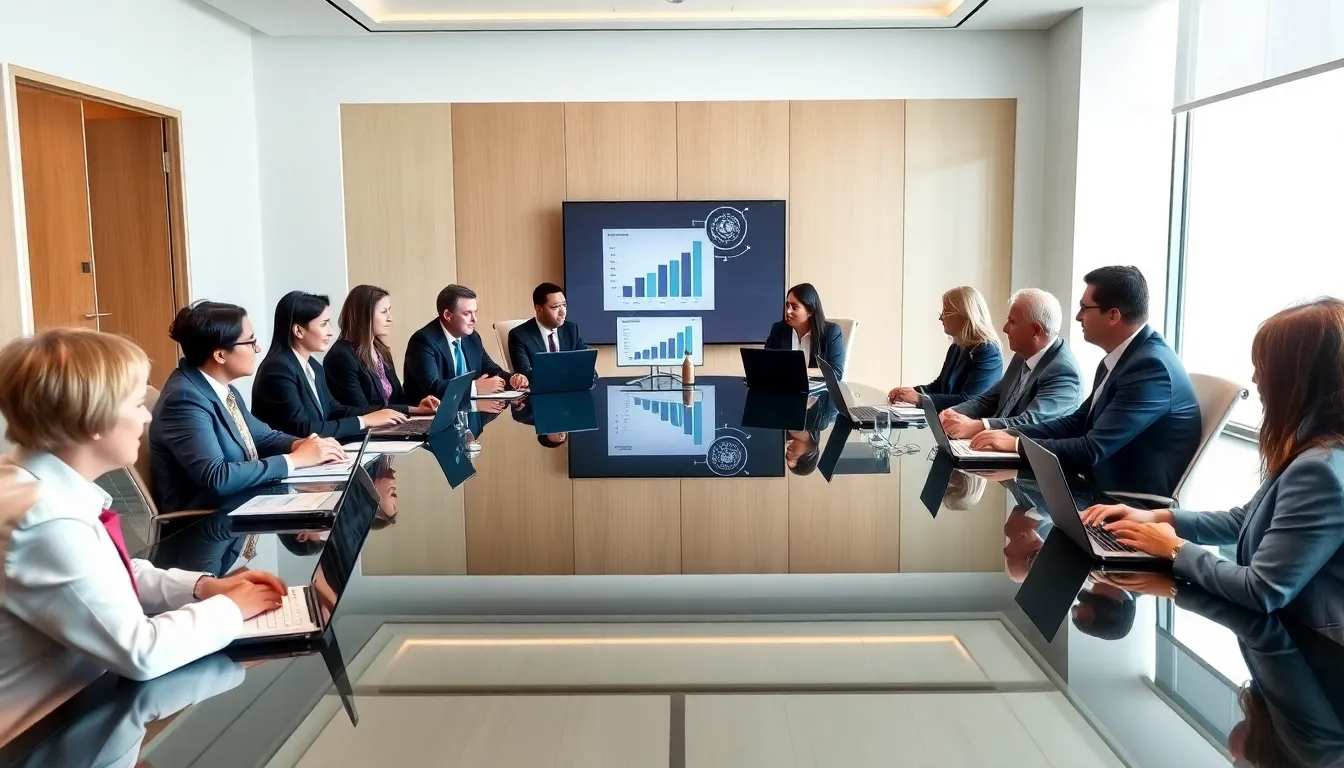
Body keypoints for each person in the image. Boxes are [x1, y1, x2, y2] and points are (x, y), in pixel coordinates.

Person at [0, 329, 285, 735]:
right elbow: (141, 652)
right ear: (91, 419)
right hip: (47, 737)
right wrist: (232, 609)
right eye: (137, 403)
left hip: (85, 710)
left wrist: (204, 587)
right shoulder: (44, 519)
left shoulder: (36, 486)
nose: (148, 416)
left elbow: (109, 573)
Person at [1083, 297, 1344, 630]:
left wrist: (1175, 549)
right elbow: (1244, 520)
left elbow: (1262, 590)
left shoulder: (1319, 469)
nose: (1255, 378)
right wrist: (1156, 517)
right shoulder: (1315, 448)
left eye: (1264, 366)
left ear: (1299, 378)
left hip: (1304, 645)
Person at [971, 266, 1200, 498]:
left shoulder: (1151, 367)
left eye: (1085, 308)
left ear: (1113, 315)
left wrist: (1017, 445)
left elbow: (1092, 448)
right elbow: (1077, 423)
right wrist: (1012, 435)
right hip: (1095, 485)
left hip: (1126, 504)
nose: (1078, 317)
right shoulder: (1119, 358)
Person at [150, 301, 346, 514]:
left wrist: (305, 445)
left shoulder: (220, 387)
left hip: (242, 505)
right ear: (220, 355)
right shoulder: (184, 399)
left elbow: (264, 437)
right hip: (206, 526)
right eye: (251, 342)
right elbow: (217, 477)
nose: (258, 348)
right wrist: (295, 459)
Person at [251, 291, 408, 440]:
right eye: (323, 324)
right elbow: (301, 430)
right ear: (298, 330)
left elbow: (335, 410)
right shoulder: (278, 370)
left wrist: (389, 412)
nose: (330, 331)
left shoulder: (313, 365)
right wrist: (364, 421)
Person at [938, 289, 1083, 438]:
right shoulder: (1021, 355)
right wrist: (954, 412)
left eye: (1012, 321)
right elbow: (990, 398)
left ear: (1036, 331)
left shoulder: (1063, 371)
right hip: (998, 445)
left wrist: (979, 426)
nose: (1005, 328)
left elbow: (1031, 422)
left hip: (1026, 455)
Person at [323, 284, 440, 414]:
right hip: (366, 432)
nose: (390, 318)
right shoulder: (341, 356)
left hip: (392, 425)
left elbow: (398, 398)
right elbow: (360, 410)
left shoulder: (381, 350)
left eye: (389, 311)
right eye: (384, 312)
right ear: (364, 315)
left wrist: (418, 406)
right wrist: (413, 409)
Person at [404, 284, 527, 404]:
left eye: (475, 312)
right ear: (448, 315)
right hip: (430, 418)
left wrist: (512, 379)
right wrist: (475, 388)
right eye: (467, 313)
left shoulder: (472, 337)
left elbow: (490, 369)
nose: (474, 319)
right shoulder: (423, 341)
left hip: (468, 411)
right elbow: (433, 387)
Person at [888, 286, 1003, 407]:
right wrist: (909, 392)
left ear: (965, 315)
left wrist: (921, 399)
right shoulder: (956, 347)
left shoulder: (989, 352)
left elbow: (970, 400)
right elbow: (939, 386)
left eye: (945, 312)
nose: (940, 317)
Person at [764, 283, 846, 379]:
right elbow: (767, 363)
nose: (788, 311)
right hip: (785, 389)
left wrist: (801, 371)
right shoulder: (778, 329)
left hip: (818, 392)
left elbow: (836, 372)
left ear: (810, 311)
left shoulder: (831, 332)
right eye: (787, 305)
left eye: (794, 307)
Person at [508, 282, 589, 378]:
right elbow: (526, 374)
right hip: (541, 391)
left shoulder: (572, 330)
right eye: (555, 307)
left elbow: (587, 367)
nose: (563, 312)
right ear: (539, 309)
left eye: (564, 305)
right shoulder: (519, 335)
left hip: (571, 388)